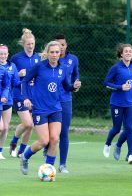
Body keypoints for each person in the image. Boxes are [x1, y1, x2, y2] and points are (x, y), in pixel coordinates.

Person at [20, 41, 81, 175]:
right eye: (52, 52)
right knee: (44, 141)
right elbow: (24, 81)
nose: (54, 55)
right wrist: (26, 98)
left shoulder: (63, 68)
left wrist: (74, 87)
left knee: (54, 139)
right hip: (40, 109)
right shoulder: (39, 67)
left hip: (56, 108)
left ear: (60, 53)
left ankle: (48, 170)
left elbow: (66, 87)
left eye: (57, 52)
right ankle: (25, 156)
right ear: (47, 53)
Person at [43, 34, 80, 173]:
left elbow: (76, 76)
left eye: (62, 45)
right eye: (57, 45)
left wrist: (76, 84)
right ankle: (47, 151)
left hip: (65, 100)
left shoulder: (73, 60)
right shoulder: (46, 63)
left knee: (63, 132)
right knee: (48, 135)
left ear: (66, 46)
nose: (60, 48)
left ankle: (62, 164)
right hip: (48, 101)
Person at [9, 28, 41, 157]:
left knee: (31, 125)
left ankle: (21, 151)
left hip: (33, 95)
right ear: (23, 44)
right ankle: (14, 142)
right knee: (28, 123)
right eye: (28, 44)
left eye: (32, 44)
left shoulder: (38, 58)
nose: (31, 46)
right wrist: (18, 74)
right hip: (20, 93)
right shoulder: (16, 58)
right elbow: (9, 75)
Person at [102, 43, 132, 164]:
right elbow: (106, 83)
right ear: (121, 54)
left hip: (131, 103)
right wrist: (120, 87)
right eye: (126, 51)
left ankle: (131, 155)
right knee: (116, 129)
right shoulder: (116, 68)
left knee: (130, 129)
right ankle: (107, 144)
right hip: (117, 103)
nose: (128, 53)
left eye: (130, 51)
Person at [113, 45, 132, 161]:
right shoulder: (127, 68)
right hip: (128, 103)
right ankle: (118, 145)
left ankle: (130, 154)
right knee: (129, 129)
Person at [0, 44, 20, 159]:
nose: (2, 56)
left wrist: (24, 79)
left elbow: (16, 83)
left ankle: (0, 151)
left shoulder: (12, 66)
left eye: (4, 54)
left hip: (8, 100)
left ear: (8, 55)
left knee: (5, 128)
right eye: (0, 54)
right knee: (1, 127)